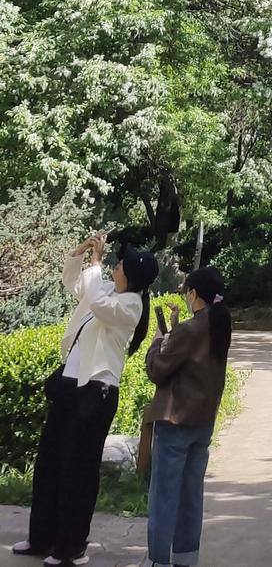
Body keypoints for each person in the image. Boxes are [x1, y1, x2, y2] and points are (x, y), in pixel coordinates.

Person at [13, 234, 157, 567]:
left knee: (77, 470)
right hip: (69, 386)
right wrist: (80, 255)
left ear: (131, 276)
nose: (115, 264)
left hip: (96, 392)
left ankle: (71, 548)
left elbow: (97, 303)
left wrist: (95, 264)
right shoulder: (104, 289)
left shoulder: (130, 305)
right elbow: (75, 285)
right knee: (50, 463)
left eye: (121, 264)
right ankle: (42, 538)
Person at [142, 265, 233, 567]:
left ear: (194, 294)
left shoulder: (191, 329)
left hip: (175, 421)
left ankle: (158, 559)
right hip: (203, 422)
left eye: (185, 292)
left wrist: (157, 340)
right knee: (191, 495)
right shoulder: (219, 324)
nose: (184, 296)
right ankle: (185, 558)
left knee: (164, 495)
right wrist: (175, 327)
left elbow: (158, 370)